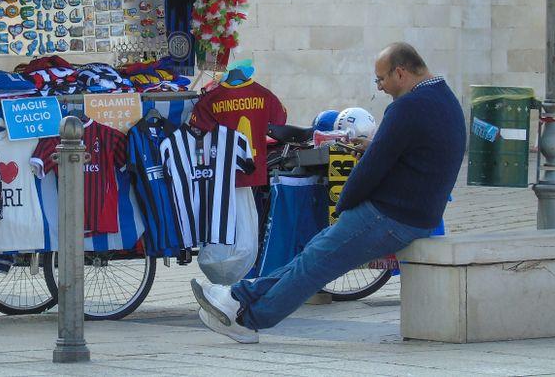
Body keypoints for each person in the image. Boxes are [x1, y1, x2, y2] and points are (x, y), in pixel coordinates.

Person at [191, 42, 467, 343]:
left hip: (392, 215)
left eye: (381, 79)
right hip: (415, 212)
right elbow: (410, 151)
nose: (381, 87)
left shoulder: (407, 107)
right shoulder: (443, 96)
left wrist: (345, 204)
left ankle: (248, 320)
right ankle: (238, 295)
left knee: (316, 264)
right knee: (313, 255)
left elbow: (371, 168)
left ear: (400, 73)